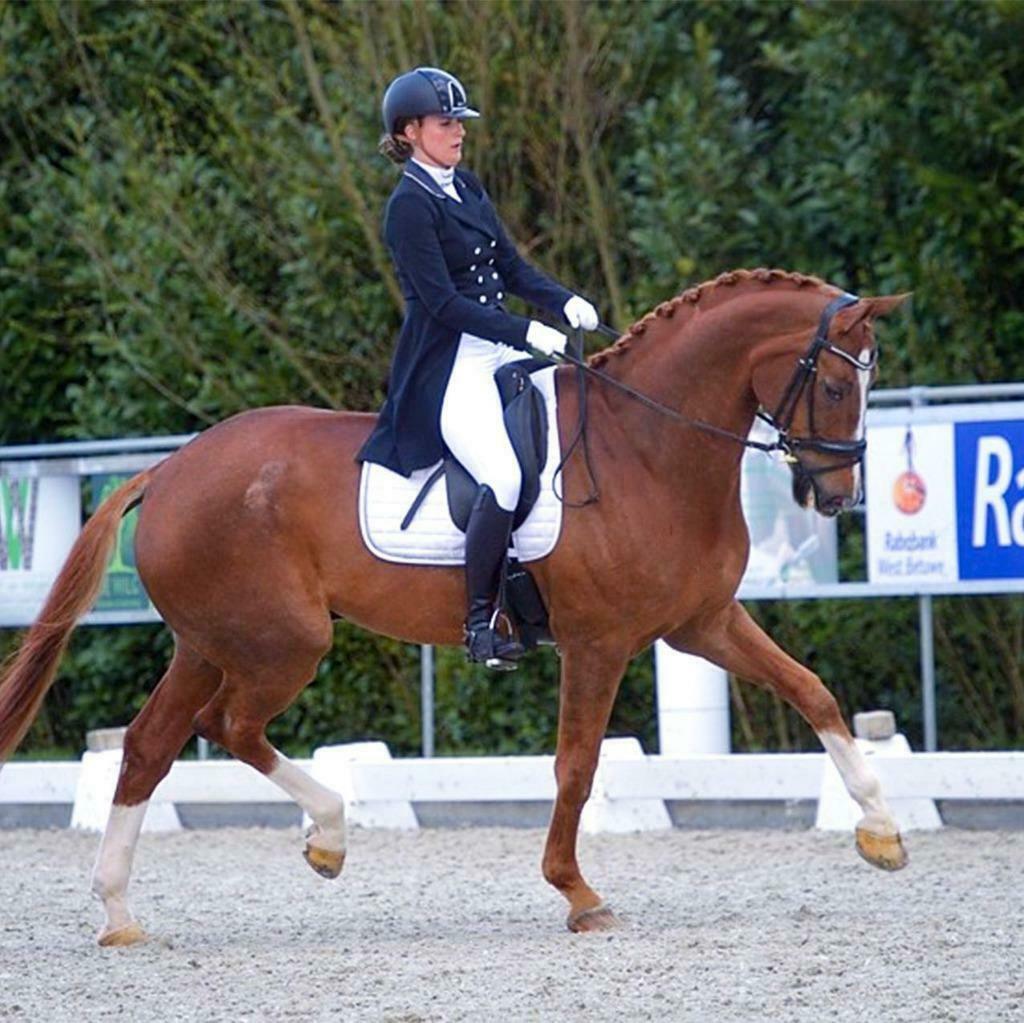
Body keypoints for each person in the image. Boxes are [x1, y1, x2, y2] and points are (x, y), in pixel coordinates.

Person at [357, 66, 599, 670]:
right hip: (448, 366)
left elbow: (511, 269)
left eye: (460, 122)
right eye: (446, 123)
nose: (459, 133)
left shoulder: (467, 188)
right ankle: (480, 623)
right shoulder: (408, 207)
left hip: (496, 348)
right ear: (410, 131)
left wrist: (562, 300)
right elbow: (443, 304)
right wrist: (526, 330)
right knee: (505, 474)